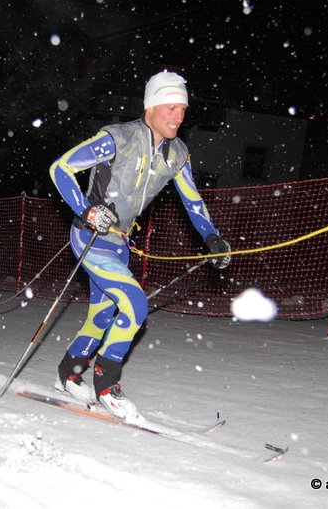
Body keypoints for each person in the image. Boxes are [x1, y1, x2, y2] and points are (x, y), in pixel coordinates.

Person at [48, 70, 231, 421]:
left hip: (119, 242)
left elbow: (193, 202)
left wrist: (211, 236)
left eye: (183, 109)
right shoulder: (117, 138)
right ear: (150, 107)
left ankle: (68, 373)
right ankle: (107, 385)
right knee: (135, 304)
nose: (179, 117)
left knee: (101, 315)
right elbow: (60, 169)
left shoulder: (178, 154)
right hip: (90, 238)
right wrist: (87, 211)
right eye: (171, 108)